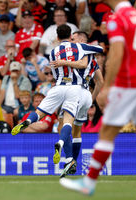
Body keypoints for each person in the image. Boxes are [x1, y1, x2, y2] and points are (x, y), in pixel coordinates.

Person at [59, 0, 136, 198]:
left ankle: (89, 182)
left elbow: (117, 52)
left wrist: (109, 85)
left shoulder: (116, 17)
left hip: (130, 82)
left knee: (107, 132)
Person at [11, 24, 103, 176]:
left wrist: (64, 62)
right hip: (80, 89)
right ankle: (66, 153)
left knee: (39, 112)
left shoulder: (53, 52)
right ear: (72, 37)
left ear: (58, 37)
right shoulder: (84, 51)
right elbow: (96, 57)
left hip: (59, 86)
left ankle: (27, 121)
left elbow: (56, 69)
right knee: (71, 126)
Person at [51, 30, 104, 177]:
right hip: (85, 95)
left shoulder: (75, 57)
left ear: (80, 40)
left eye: (74, 38)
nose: (71, 41)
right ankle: (73, 161)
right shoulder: (92, 59)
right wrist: (91, 100)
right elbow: (100, 82)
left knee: (63, 125)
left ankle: (69, 161)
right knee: (77, 131)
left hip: (72, 93)